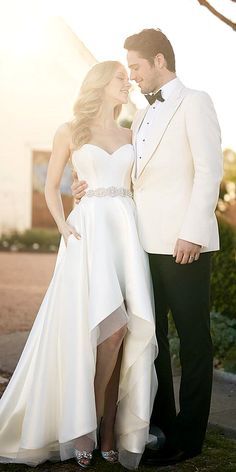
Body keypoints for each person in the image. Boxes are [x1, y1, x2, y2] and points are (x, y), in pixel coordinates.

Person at [71, 29, 223, 467]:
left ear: (159, 60)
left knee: (193, 340)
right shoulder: (137, 119)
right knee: (148, 338)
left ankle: (188, 437)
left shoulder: (195, 101)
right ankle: (159, 425)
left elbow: (208, 170)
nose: (132, 76)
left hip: (184, 244)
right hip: (140, 246)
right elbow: (125, 177)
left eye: (135, 67)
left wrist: (192, 231)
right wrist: (87, 187)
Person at [0, 61, 158, 470]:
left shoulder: (132, 132)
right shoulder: (70, 131)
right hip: (85, 235)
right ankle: (84, 425)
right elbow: (50, 185)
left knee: (120, 330)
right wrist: (62, 224)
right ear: (101, 84)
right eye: (121, 78)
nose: (128, 84)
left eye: (128, 77)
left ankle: (107, 426)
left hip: (125, 232)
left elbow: (145, 182)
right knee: (88, 329)